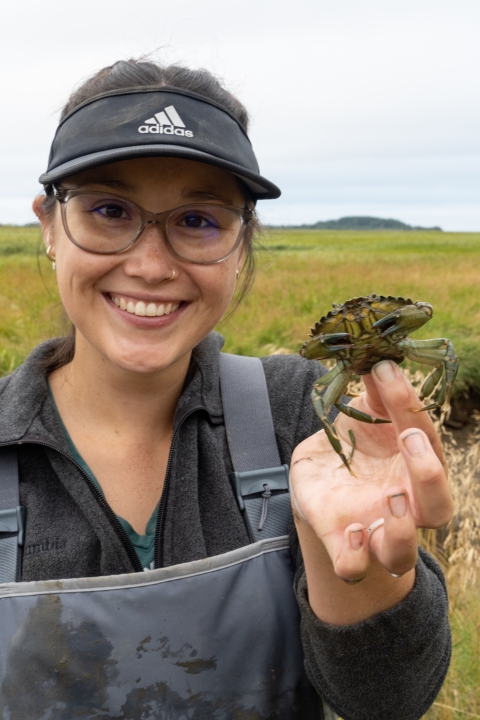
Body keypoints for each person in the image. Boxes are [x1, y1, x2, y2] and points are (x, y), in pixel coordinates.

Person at [0, 59, 451, 720]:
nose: (151, 266)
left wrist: (358, 569)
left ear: (243, 243)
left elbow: (389, 702)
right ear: (48, 226)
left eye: (199, 221)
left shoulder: (303, 415)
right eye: (108, 209)